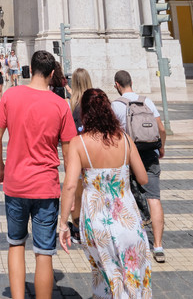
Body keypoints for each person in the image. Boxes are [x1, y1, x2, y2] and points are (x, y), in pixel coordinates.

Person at [0, 50, 77, 299]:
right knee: (44, 252)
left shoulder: (11, 95)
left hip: (15, 183)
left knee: (16, 244)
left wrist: (0, 167)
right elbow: (70, 156)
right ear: (52, 74)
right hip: (46, 187)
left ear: (30, 68)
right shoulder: (60, 105)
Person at [58, 89, 154, 298]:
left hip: (97, 222)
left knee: (106, 280)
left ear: (85, 114)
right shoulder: (126, 140)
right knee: (132, 278)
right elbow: (143, 178)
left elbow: (70, 186)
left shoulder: (79, 143)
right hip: (128, 220)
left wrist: (63, 223)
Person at [111, 70, 167, 263]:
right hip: (150, 154)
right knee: (154, 199)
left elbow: (113, 135)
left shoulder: (116, 105)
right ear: (132, 82)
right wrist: (161, 147)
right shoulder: (147, 101)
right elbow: (161, 128)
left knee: (126, 198)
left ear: (117, 85)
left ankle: (131, 243)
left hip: (128, 157)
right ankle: (158, 246)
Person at [65, 68, 94, 242]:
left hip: (77, 152)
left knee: (77, 191)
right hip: (95, 151)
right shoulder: (95, 101)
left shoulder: (71, 104)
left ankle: (76, 229)